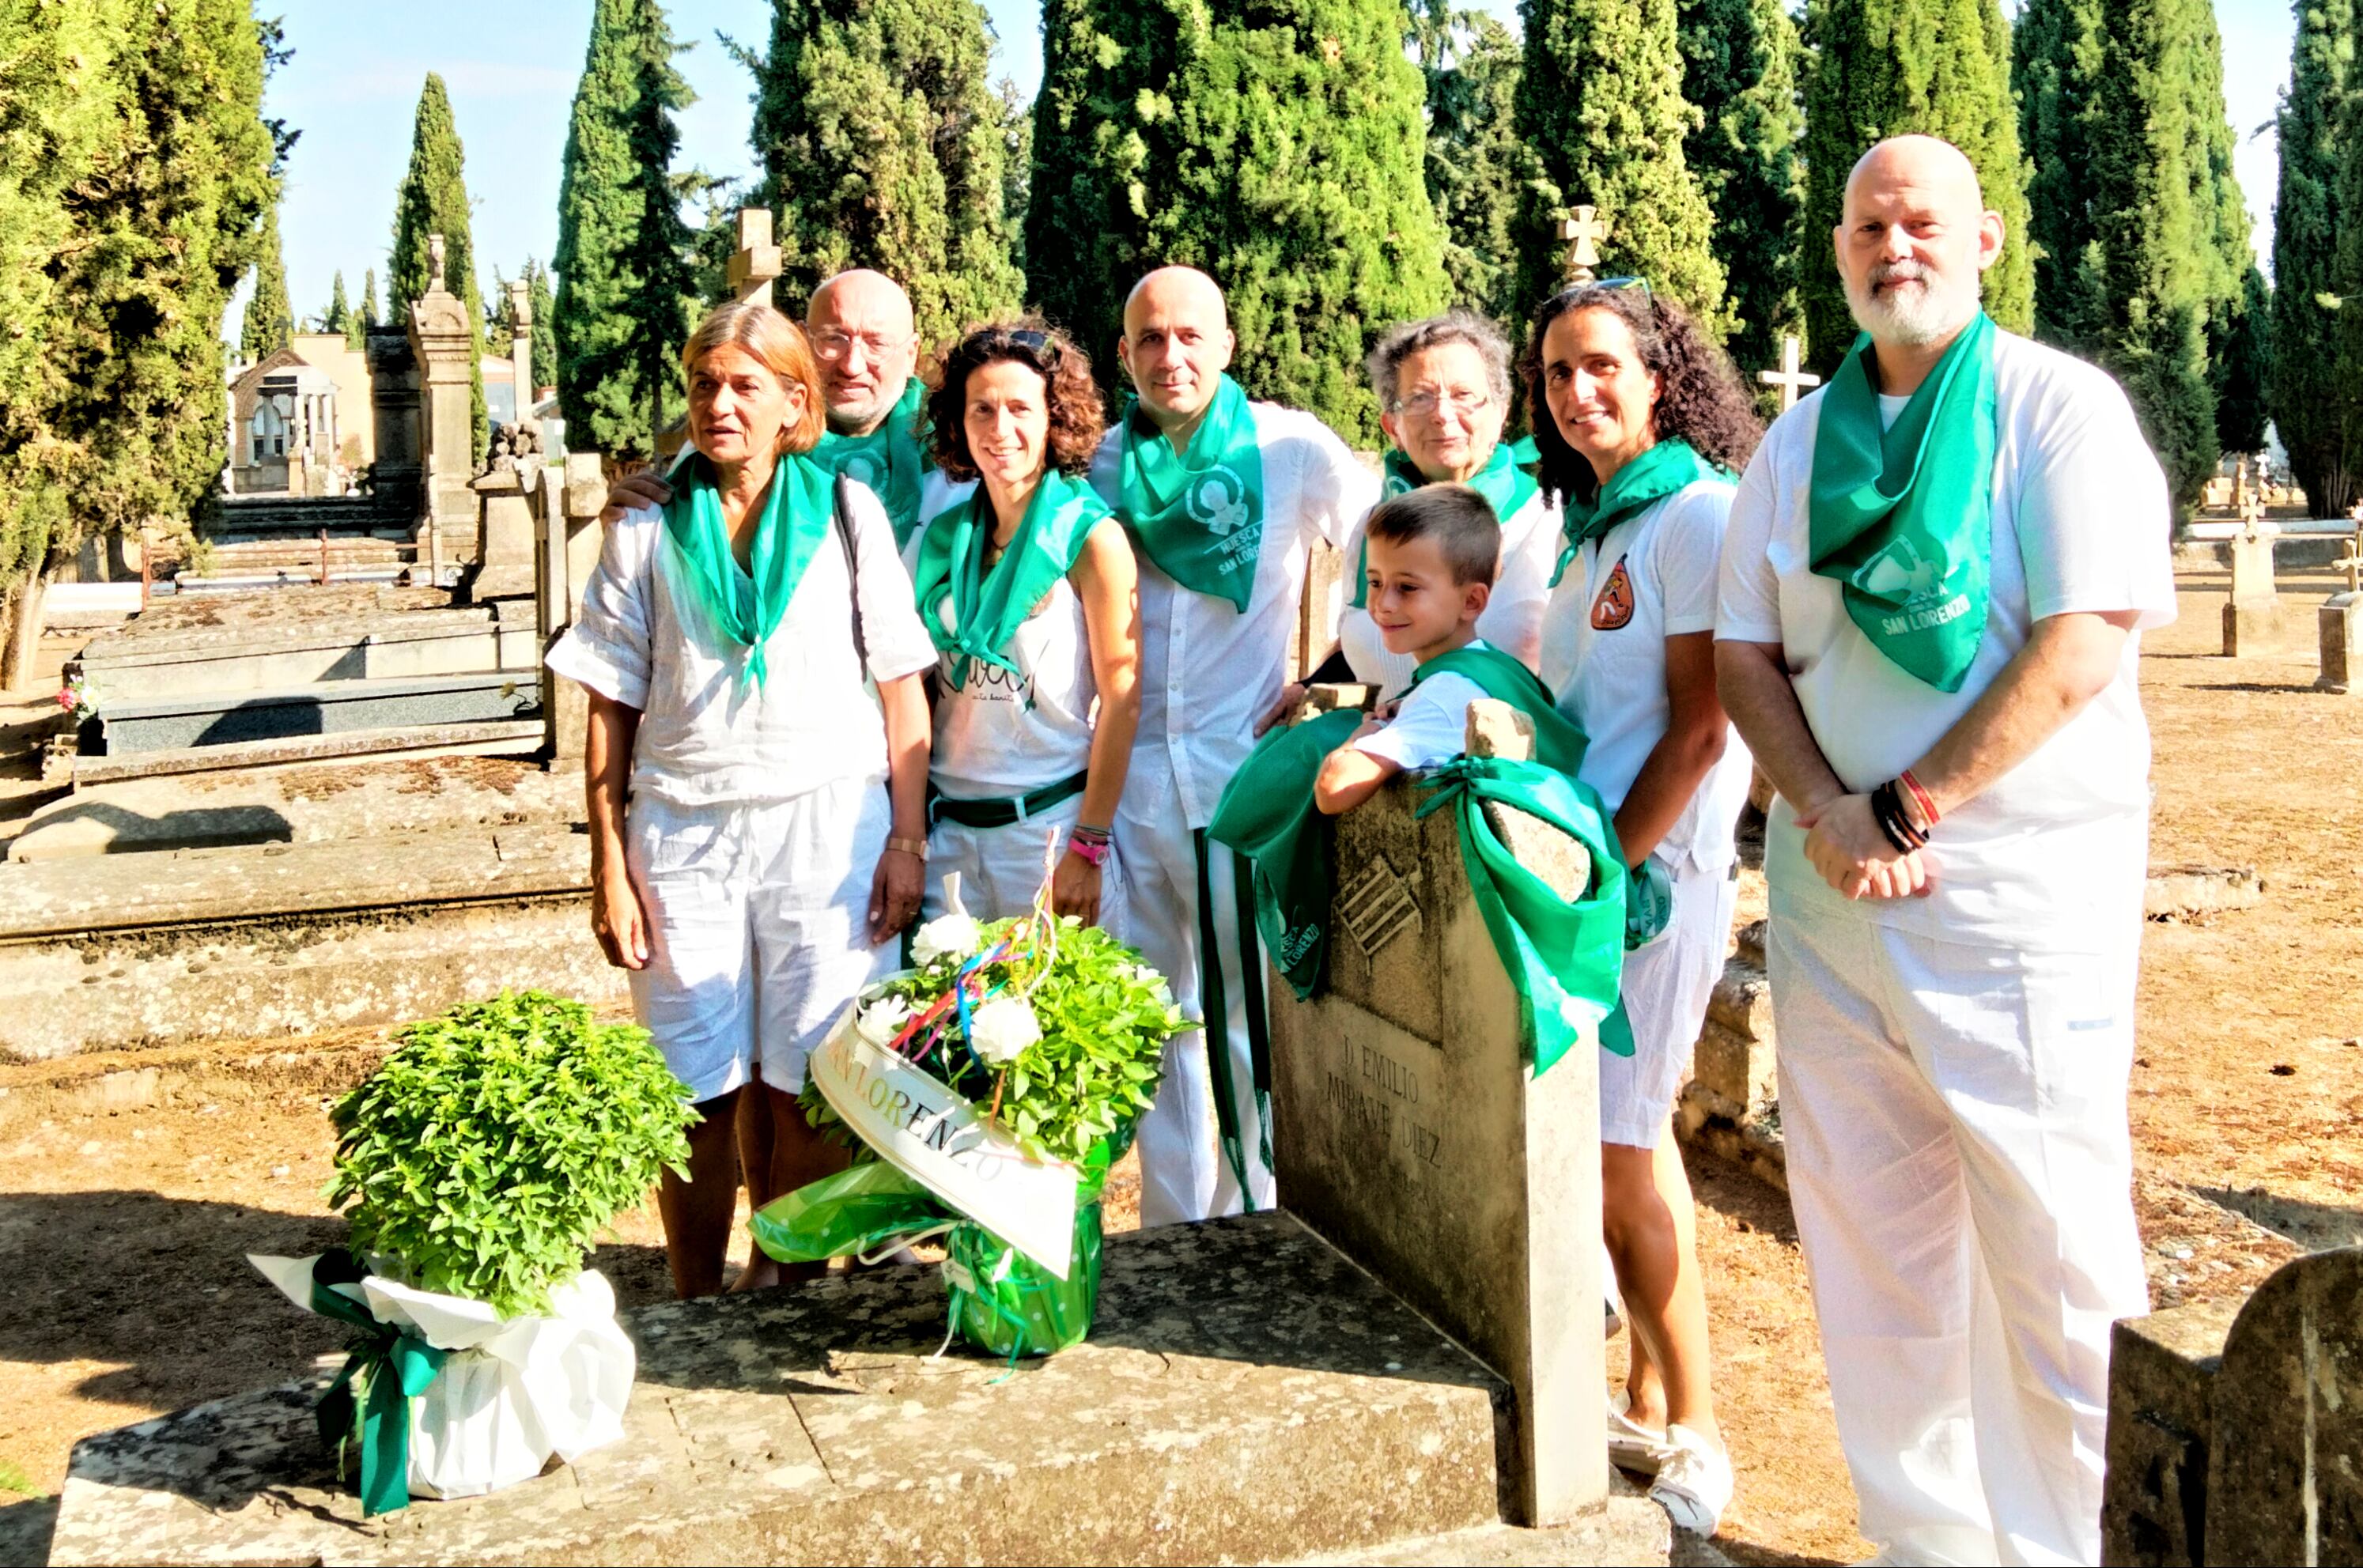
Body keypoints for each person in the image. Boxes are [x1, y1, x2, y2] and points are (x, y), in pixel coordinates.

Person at [1714, 134, 2173, 1566]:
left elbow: (2085, 635)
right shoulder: (1794, 442)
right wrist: (1827, 813)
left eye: (1920, 221)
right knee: (1870, 1260)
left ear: (1982, 242)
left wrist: (1906, 806)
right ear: (1839, 248)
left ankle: (2076, 1548)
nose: (1889, 245)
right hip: (1830, 901)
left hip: (2009, 903)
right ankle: (1928, 1546)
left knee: (2050, 1254)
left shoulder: (2055, 409)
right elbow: (1742, 652)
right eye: (1864, 224)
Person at [548, 300, 938, 1299]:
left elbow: (901, 689)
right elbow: (611, 705)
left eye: (744, 387)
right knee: (691, 1084)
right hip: (683, 832)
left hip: (829, 826)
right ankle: (692, 1290)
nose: (719, 405)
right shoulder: (642, 525)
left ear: (792, 403)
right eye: (703, 386)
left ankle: (785, 1271)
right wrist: (608, 862)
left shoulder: (849, 515)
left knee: (810, 1075)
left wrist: (907, 841)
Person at [1526, 280, 1762, 1536]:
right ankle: (1645, 1388)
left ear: (1660, 372)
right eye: (1559, 371)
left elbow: (1702, 724)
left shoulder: (1694, 515)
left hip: (1650, 883)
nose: (1578, 391)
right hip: (1593, 877)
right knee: (1631, 1144)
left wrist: (1610, 867)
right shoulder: (1597, 531)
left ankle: (1700, 1434)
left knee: (1624, 1157)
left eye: (1604, 366)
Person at [1088, 266, 1378, 1226]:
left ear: (1227, 344)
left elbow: (1383, 549)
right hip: (1125, 788)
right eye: (1149, 339)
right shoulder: (1097, 463)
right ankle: (1176, 1226)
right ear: (1125, 353)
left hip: (1235, 778)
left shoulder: (1290, 447)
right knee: (1149, 1018)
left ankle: (1253, 1217)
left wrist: (1337, 672)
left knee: (1245, 1020)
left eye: (1188, 336)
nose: (1170, 356)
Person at [909, 321, 1141, 928]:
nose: (999, 429)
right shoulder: (941, 539)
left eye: (1019, 408)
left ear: (1054, 419)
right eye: (981, 409)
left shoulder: (1090, 538)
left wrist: (1087, 847)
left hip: (1047, 831)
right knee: (952, 1022)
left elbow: (1122, 699)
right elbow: (915, 684)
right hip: (950, 836)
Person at [1314, 311, 1560, 702]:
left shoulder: (1548, 522)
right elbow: (1355, 642)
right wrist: (1304, 688)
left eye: (1463, 396)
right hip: (1386, 749)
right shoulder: (1374, 527)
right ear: (1392, 426)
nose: (1442, 415)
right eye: (1419, 398)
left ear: (1500, 414)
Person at [602, 270, 939, 546]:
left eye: (877, 344)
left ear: (911, 354)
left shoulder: (952, 442)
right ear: (803, 341)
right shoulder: (735, 431)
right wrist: (632, 522)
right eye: (833, 339)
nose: (852, 365)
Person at [1315, 485, 1578, 813]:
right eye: (1375, 582)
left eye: (1407, 587)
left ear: (1472, 601)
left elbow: (1334, 789)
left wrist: (1370, 731)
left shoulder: (1445, 694)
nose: (1383, 603)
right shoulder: (1493, 667)